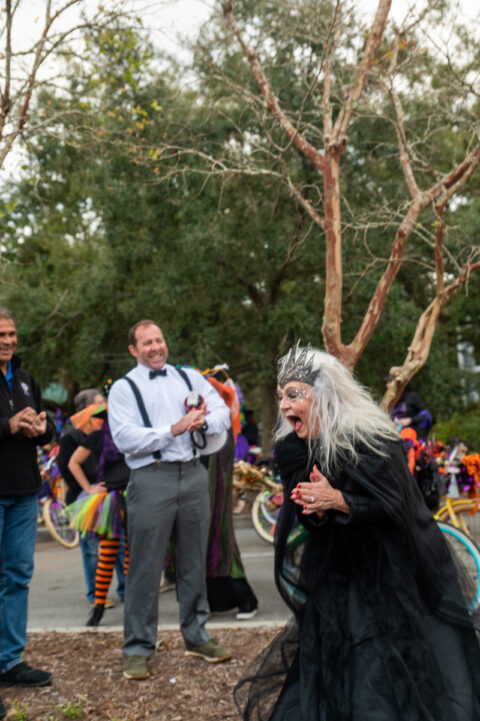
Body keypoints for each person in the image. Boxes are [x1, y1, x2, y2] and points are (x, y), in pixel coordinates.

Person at [235, 344, 480, 721]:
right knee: (348, 660)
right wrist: (318, 509)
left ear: (325, 394)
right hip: (337, 572)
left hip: (391, 567)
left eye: (294, 394)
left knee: (398, 662)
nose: (284, 406)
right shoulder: (292, 449)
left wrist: (341, 501)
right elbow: (307, 519)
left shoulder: (371, 439)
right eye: (281, 395)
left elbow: (398, 507)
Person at [108, 320, 232, 680]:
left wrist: (203, 423)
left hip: (193, 474)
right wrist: (173, 429)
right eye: (147, 343)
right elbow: (125, 438)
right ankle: (138, 647)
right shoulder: (123, 388)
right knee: (145, 566)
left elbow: (222, 412)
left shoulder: (188, 377)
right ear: (133, 350)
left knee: (194, 560)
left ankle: (197, 636)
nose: (155, 347)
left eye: (159, 340)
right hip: (152, 477)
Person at [0, 307, 55, 717]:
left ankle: (9, 661)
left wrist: (41, 429)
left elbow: (46, 431)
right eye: (1, 335)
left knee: (17, 577)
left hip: (23, 491)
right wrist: (9, 425)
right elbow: (8, 425)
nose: (7, 341)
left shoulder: (24, 379)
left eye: (11, 334)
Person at [67, 388, 130, 627]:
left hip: (133, 495)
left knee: (132, 554)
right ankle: (99, 606)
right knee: (107, 554)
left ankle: (133, 603)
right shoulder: (97, 436)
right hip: (110, 500)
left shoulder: (130, 433)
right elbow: (73, 462)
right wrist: (89, 488)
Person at [387, 371, 434, 440]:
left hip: (412, 435)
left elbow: (426, 415)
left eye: (389, 382)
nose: (387, 385)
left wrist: (410, 420)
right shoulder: (391, 400)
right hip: (395, 433)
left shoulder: (411, 396)